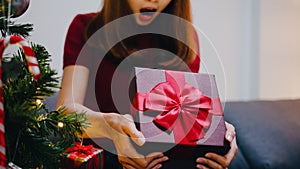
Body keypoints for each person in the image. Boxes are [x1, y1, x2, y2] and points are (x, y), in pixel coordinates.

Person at [57, 0, 238, 169]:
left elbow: (185, 111)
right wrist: (110, 127)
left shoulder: (184, 36)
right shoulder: (85, 28)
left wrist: (216, 129)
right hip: (103, 160)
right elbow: (66, 111)